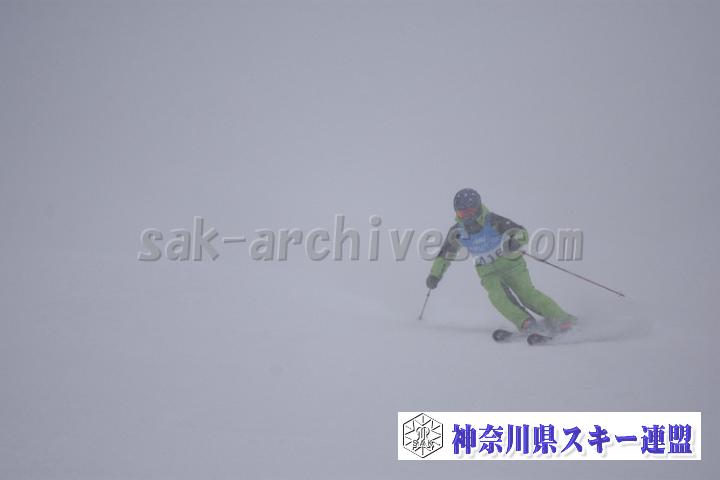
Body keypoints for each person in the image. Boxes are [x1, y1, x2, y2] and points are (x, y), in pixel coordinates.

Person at [426, 188, 576, 333]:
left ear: (478, 208)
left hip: (511, 265)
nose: (467, 217)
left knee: (527, 295)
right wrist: (435, 275)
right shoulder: (457, 232)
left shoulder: (493, 221)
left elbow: (521, 232)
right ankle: (525, 322)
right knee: (499, 299)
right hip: (487, 272)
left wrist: (515, 241)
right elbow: (444, 256)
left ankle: (562, 318)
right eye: (462, 213)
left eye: (470, 212)